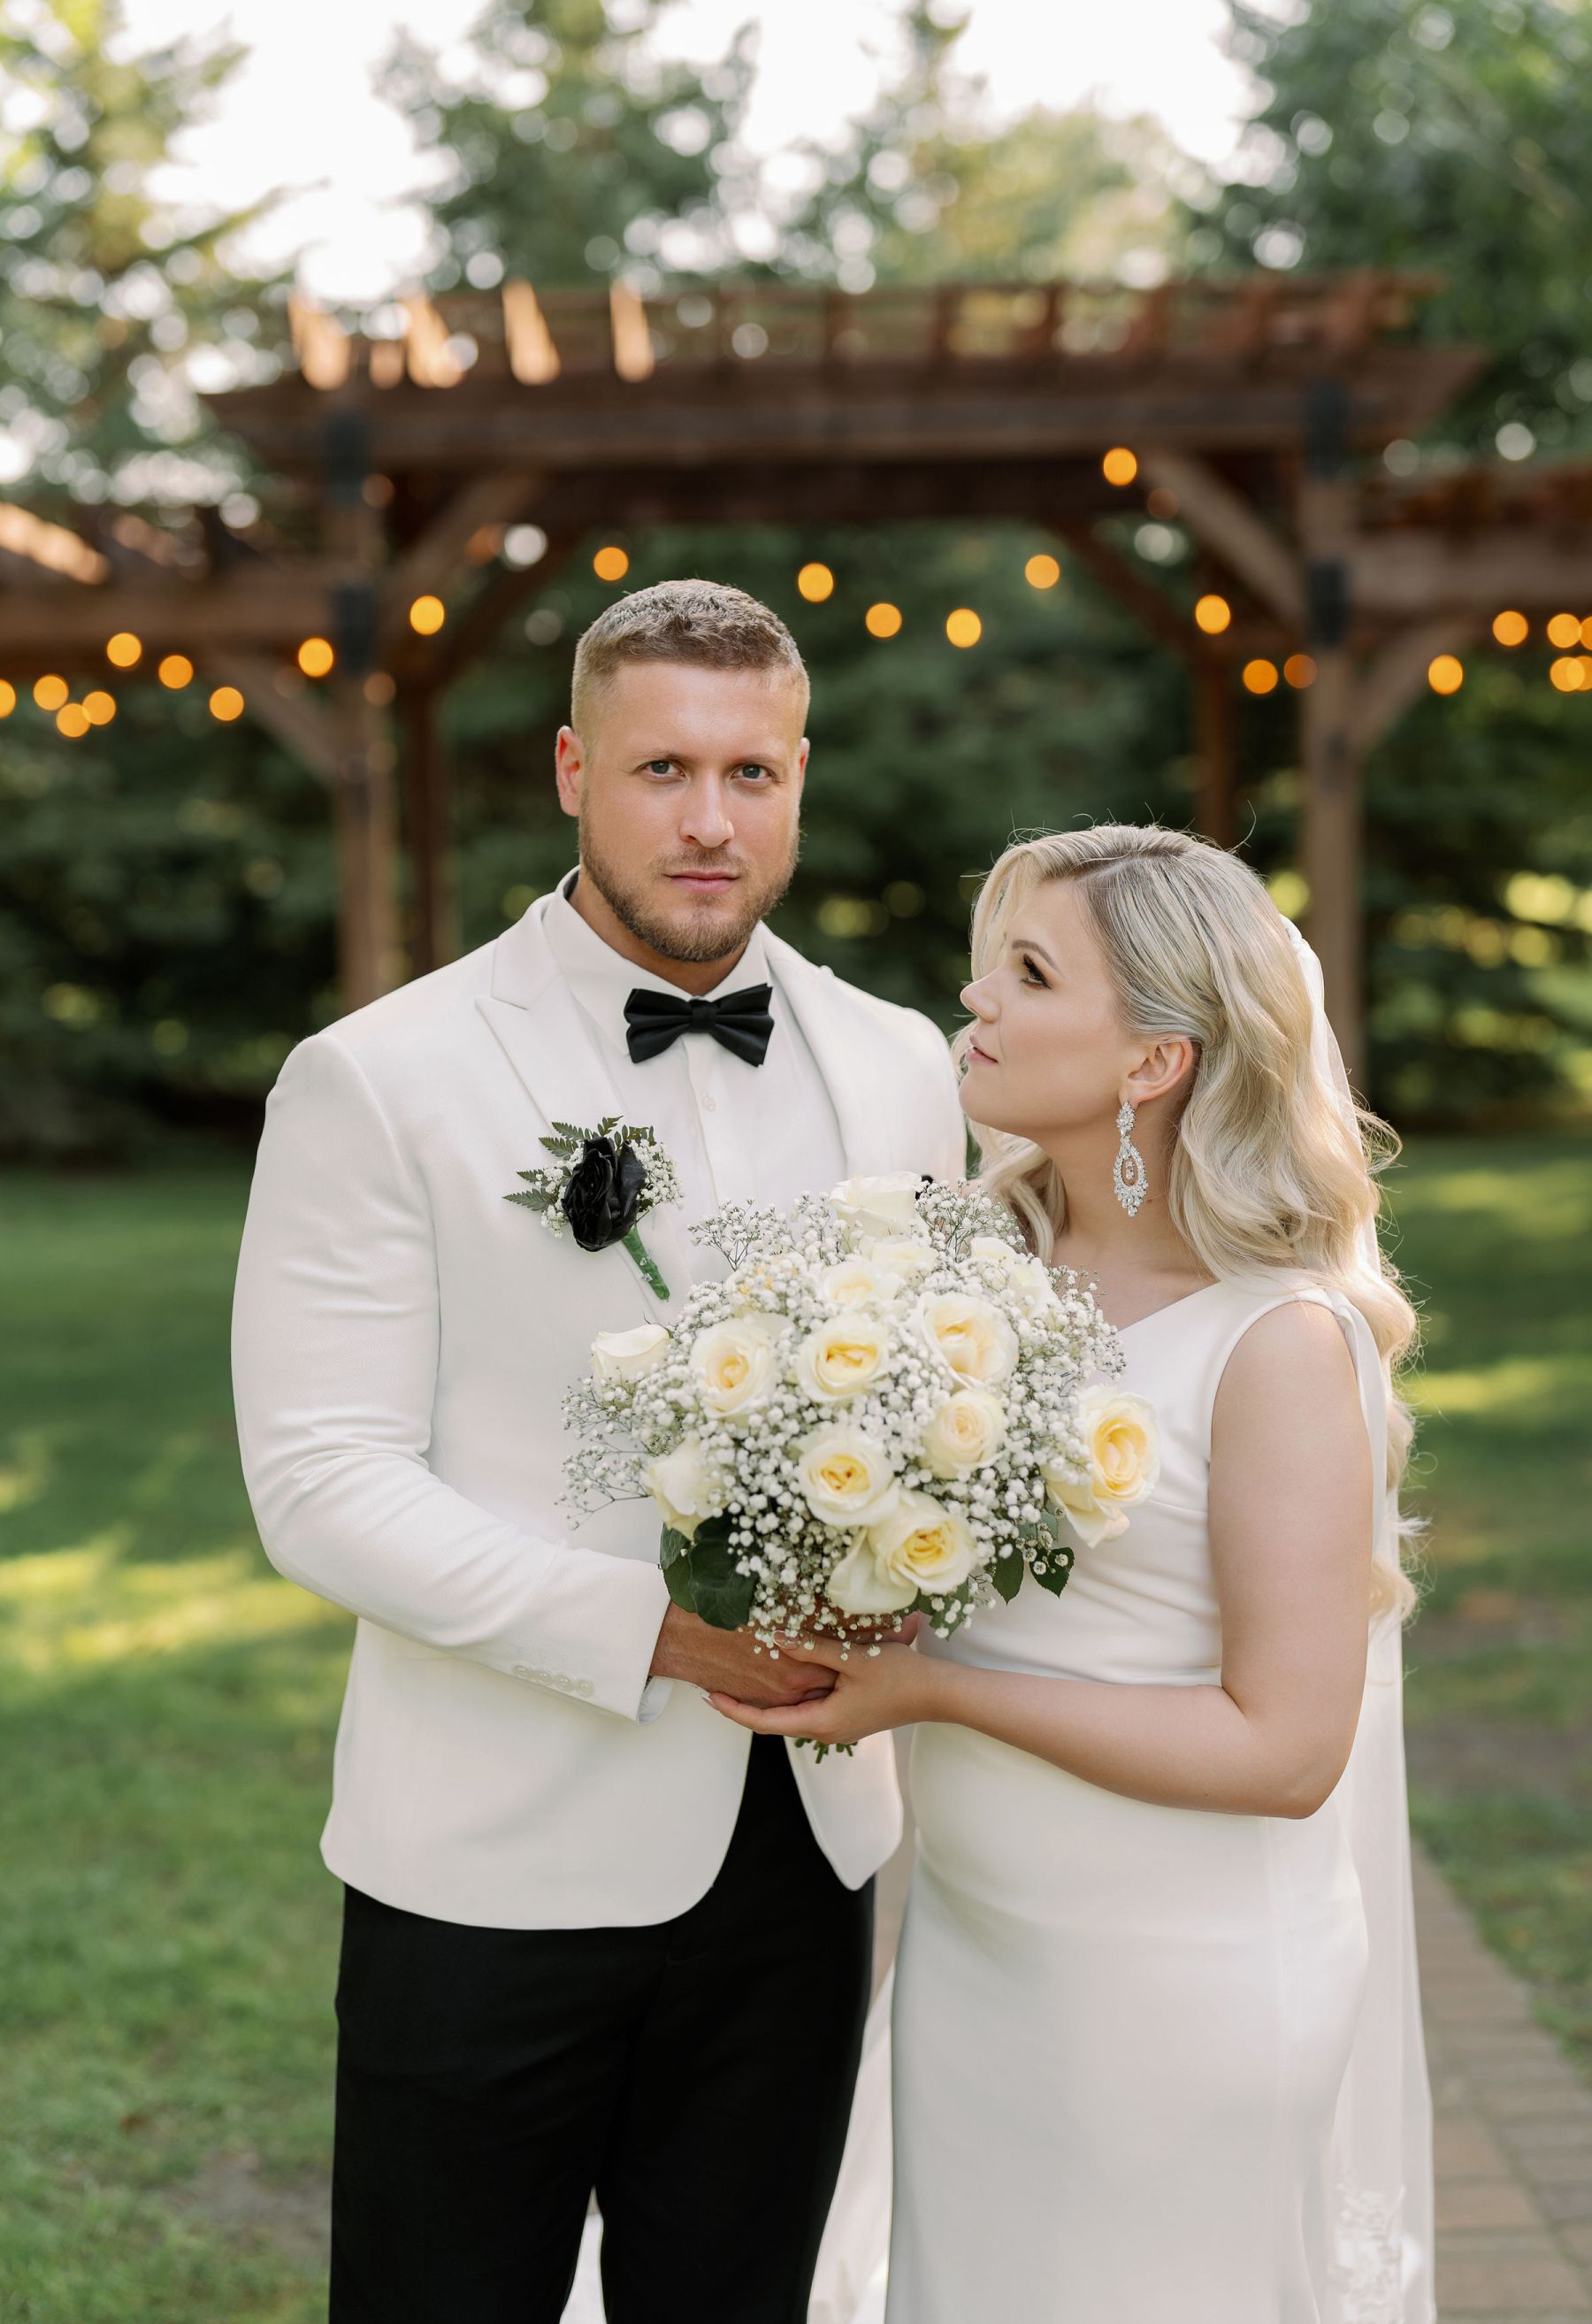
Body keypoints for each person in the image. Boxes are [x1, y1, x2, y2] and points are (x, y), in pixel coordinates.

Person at [230, 579, 965, 2324]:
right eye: (660, 770)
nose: (710, 823)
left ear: (799, 777)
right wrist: (655, 1634)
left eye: (752, 773)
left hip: (807, 1851)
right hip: (488, 1857)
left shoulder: (901, 1061)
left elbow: (946, 1400)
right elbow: (322, 1483)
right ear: (572, 770)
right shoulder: (381, 1076)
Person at [710, 824, 1435, 2324]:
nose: (975, 1002)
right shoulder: (962, 1279)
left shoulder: (1279, 1344)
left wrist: (934, 1692)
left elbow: (1288, 1748)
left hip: (1181, 1991)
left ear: (1153, 1061)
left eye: (1029, 974)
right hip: (985, 1958)